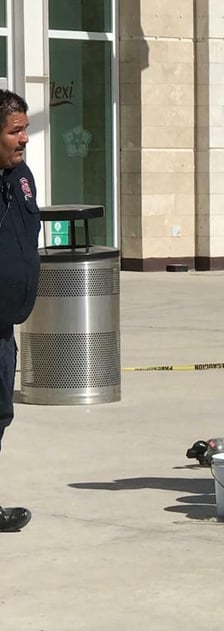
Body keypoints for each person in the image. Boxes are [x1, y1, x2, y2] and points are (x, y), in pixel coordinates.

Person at [0, 90, 41, 532]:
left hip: (4, 327)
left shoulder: (21, 177)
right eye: (16, 131)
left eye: (26, 129)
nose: (25, 139)